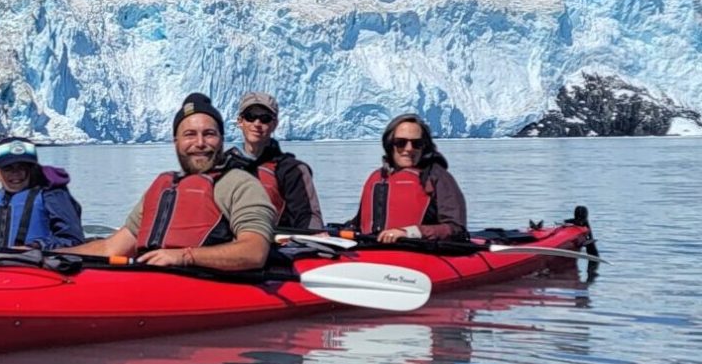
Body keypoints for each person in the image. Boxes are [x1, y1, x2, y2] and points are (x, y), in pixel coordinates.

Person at [65, 93, 275, 269]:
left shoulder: (240, 184)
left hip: (207, 283)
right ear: (176, 142)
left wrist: (186, 256)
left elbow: (254, 252)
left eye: (209, 134)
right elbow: (110, 248)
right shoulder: (165, 186)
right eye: (190, 135)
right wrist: (47, 254)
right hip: (152, 279)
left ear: (221, 139)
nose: (200, 143)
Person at [347, 113, 468, 242]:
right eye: (401, 143)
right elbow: (359, 223)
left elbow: (456, 228)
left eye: (417, 144)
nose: (409, 149)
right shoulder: (376, 177)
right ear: (390, 145)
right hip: (373, 250)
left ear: (424, 146)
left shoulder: (437, 177)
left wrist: (409, 233)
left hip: (420, 253)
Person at [0, 136, 85, 250]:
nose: (16, 173)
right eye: (8, 168)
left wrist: (37, 246)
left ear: (32, 170)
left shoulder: (52, 195)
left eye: (22, 167)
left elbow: (73, 240)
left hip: (36, 268)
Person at [224, 91, 324, 231]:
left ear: (274, 124)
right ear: (240, 122)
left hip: (276, 248)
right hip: (227, 248)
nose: (257, 124)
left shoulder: (292, 171)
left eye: (265, 118)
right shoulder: (223, 165)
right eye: (250, 117)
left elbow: (308, 219)